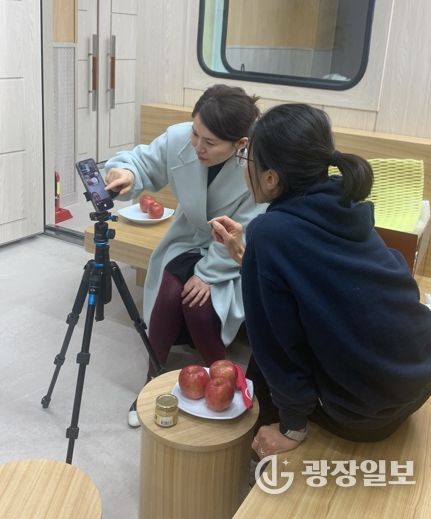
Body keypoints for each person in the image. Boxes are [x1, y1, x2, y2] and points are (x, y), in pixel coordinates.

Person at [210, 103, 431, 460]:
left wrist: (291, 426)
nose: (245, 167)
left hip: (363, 412)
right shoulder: (344, 200)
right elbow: (327, 278)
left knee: (261, 363)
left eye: (248, 158)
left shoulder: (270, 231)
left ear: (271, 178)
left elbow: (278, 348)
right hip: (416, 379)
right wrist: (248, 258)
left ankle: (261, 465)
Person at [104, 84, 266, 427]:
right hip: (187, 237)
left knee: (198, 305)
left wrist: (208, 273)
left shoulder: (256, 165)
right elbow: (143, 162)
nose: (197, 146)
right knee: (170, 290)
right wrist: (127, 173)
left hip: (230, 254)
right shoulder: (180, 137)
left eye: (210, 142)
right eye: (196, 133)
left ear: (240, 144)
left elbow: (248, 231)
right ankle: (152, 379)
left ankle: (224, 381)